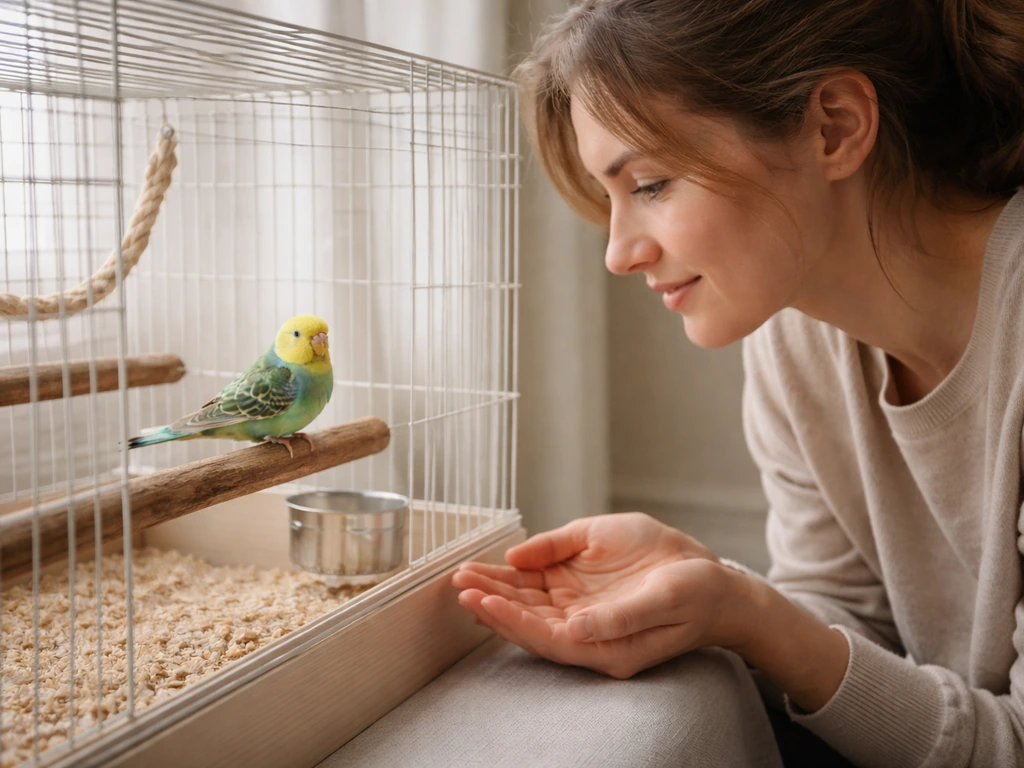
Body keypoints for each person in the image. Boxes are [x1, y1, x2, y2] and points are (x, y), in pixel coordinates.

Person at [450, 1, 1024, 766]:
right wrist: (713, 590)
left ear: (836, 127)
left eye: (650, 183)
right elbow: (849, 624)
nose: (618, 252)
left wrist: (752, 614)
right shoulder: (796, 337)